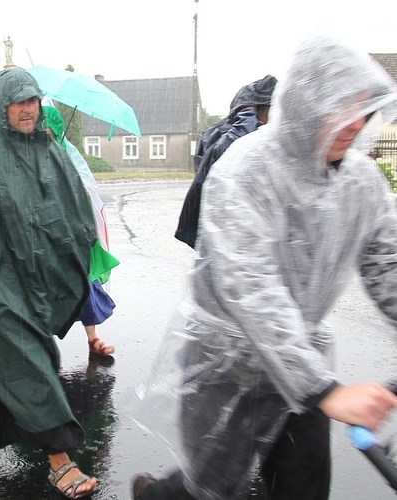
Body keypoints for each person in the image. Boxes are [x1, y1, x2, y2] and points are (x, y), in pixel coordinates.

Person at [131, 34, 397, 499]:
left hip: (300, 361)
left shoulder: (362, 183)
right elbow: (251, 287)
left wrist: (315, 387)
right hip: (223, 361)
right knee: (211, 486)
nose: (355, 122)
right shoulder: (246, 170)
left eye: (362, 108)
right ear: (308, 104)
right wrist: (325, 391)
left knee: (304, 487)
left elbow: (388, 264)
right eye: (342, 107)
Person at [0, 67, 99, 499]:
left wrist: (76, 257)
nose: (27, 109)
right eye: (18, 101)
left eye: (32, 100)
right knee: (31, 365)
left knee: (10, 367)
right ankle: (59, 461)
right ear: (1, 106)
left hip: (37, 286)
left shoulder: (52, 152)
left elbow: (73, 214)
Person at [42, 105, 118, 357]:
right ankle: (38, 344)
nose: (43, 138)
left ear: (56, 131)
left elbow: (87, 185)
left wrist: (78, 188)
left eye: (48, 133)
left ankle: (92, 337)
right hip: (43, 235)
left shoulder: (69, 154)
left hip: (72, 234)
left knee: (85, 283)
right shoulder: (30, 155)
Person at [174, 74, 277, 249]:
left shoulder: (272, 141)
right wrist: (247, 119)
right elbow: (222, 160)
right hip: (228, 236)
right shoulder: (220, 134)